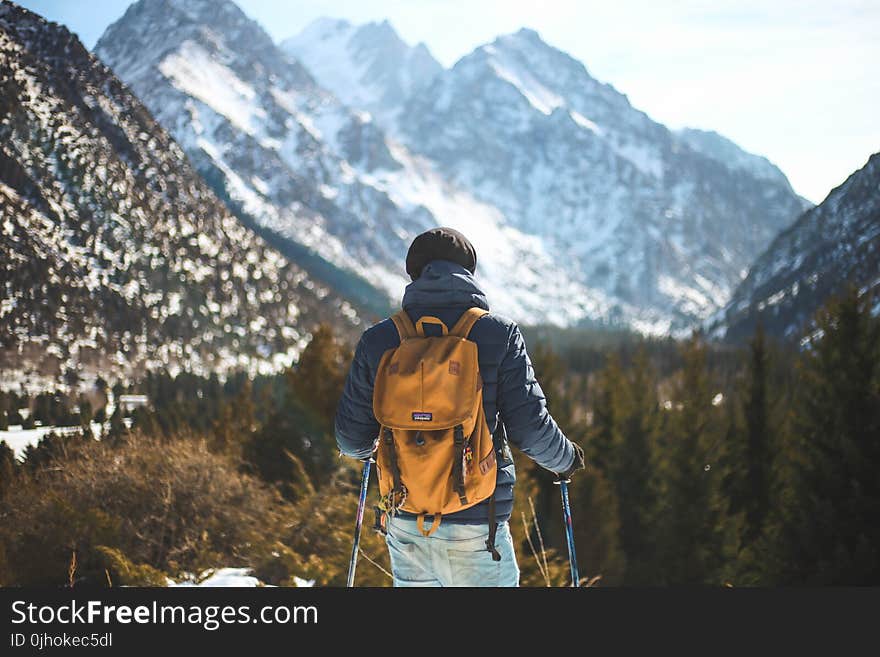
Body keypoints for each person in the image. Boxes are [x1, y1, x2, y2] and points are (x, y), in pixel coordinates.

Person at [335, 227, 585, 587]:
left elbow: (350, 440)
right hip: (477, 523)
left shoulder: (380, 340)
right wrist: (566, 460)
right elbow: (530, 428)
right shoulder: (498, 335)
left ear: (414, 273)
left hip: (406, 519)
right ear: (468, 272)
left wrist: (377, 448)